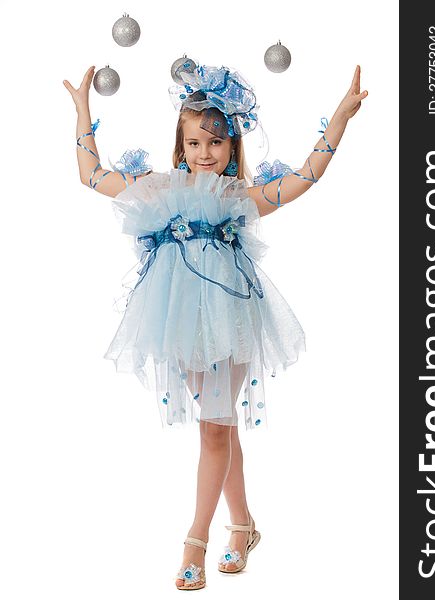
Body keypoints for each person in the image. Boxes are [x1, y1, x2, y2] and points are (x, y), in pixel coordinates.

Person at [63, 62, 368, 591]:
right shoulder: (160, 188)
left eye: (217, 143)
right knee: (219, 429)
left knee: (213, 431)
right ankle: (245, 526)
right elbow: (91, 176)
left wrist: (338, 120)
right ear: (181, 147)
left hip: (231, 320)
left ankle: (194, 541)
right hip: (178, 322)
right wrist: (84, 111)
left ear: (232, 148)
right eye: (195, 143)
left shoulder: (238, 197)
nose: (206, 153)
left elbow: (303, 177)